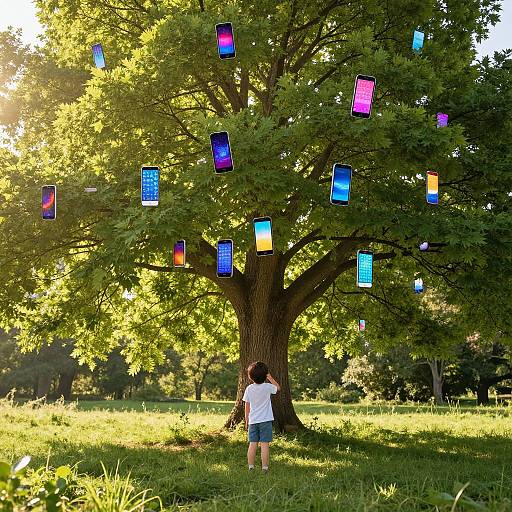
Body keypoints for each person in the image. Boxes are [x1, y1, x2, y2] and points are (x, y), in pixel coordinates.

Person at [242, 361, 280, 473]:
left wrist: (247, 421)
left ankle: (251, 467)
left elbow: (247, 407)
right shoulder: (268, 387)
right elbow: (278, 388)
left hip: (253, 421)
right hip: (266, 421)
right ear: (265, 375)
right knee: (264, 445)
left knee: (252, 444)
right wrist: (270, 377)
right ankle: (264, 468)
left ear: (250, 376)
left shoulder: (249, 389)